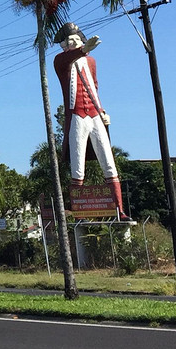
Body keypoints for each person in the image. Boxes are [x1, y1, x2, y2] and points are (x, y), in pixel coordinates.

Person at [53, 23, 125, 217]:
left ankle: (119, 209)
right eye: (69, 41)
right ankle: (78, 209)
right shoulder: (61, 61)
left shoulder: (91, 62)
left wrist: (101, 110)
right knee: (78, 164)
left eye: (76, 40)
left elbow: (94, 87)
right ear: (63, 46)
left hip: (95, 115)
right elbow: (68, 59)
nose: (73, 44)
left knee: (108, 160)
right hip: (76, 115)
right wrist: (83, 50)